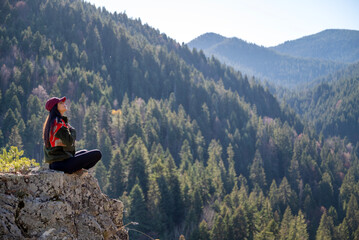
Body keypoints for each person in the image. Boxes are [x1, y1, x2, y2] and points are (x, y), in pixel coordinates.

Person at [43, 96, 102, 174]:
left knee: (84, 152)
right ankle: (75, 171)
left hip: (56, 163)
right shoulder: (58, 123)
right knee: (97, 154)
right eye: (61, 103)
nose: (64, 104)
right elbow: (69, 142)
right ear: (55, 107)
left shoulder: (53, 122)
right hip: (62, 165)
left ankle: (77, 169)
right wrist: (72, 130)